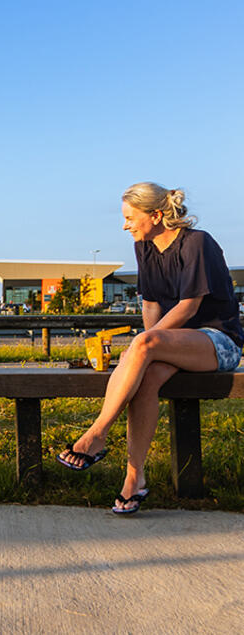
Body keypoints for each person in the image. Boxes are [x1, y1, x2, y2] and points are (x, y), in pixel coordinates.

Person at [58, 182, 243, 513]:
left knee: (143, 347)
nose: (125, 225)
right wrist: (145, 350)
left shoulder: (197, 243)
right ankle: (134, 480)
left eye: (130, 217)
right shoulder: (143, 247)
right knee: (144, 378)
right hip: (175, 342)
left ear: (156, 215)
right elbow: (152, 305)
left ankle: (97, 434)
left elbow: (188, 307)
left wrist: (145, 344)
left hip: (218, 341)